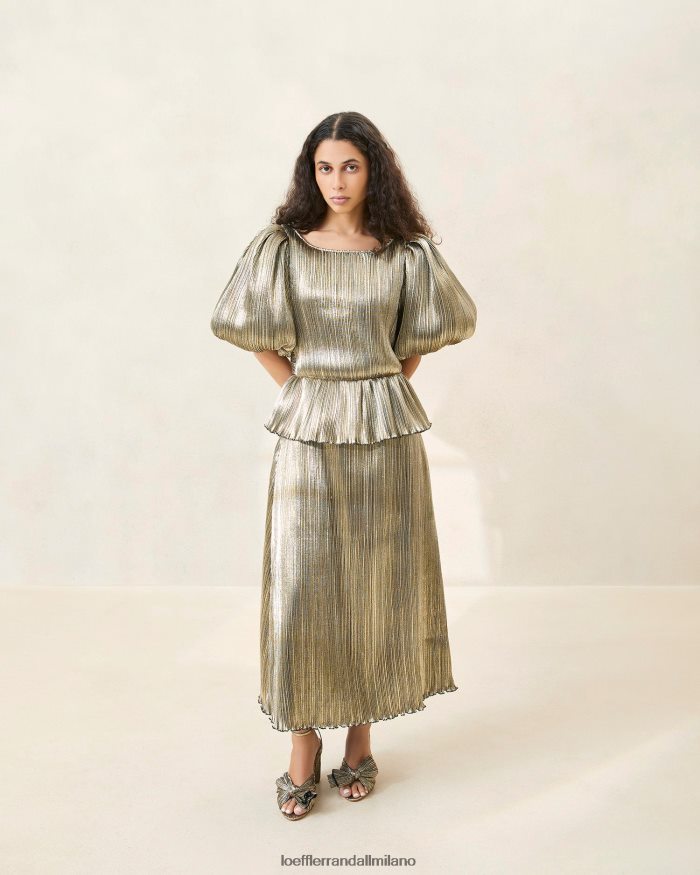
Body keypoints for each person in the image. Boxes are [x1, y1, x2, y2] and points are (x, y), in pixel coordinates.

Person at [210, 111, 477, 821]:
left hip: (385, 438)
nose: (337, 181)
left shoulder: (405, 253)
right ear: (310, 172)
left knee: (375, 580)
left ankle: (360, 740)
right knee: (304, 586)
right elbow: (248, 330)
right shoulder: (282, 248)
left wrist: (377, 387)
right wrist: (304, 391)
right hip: (309, 432)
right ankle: (303, 746)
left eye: (350, 166)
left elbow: (419, 337)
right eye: (325, 167)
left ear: (373, 171)